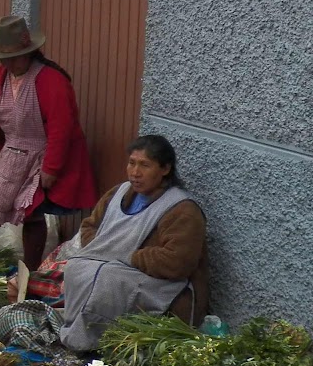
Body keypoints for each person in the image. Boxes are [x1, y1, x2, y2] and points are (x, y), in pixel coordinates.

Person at [0, 15, 97, 269]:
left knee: (33, 213)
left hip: (43, 153)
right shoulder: (1, 77)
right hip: (14, 151)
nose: (7, 64)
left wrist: (51, 168)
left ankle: (31, 269)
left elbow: (63, 128)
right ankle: (19, 266)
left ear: (28, 53)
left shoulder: (51, 81)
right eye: (3, 59)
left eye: (12, 58)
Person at [59, 136, 209, 351]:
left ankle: (97, 342)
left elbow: (177, 262)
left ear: (165, 169)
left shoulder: (182, 210)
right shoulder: (118, 193)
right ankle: (80, 331)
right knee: (76, 266)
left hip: (164, 284)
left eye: (145, 165)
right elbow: (90, 227)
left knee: (108, 277)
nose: (135, 172)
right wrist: (104, 249)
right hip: (117, 265)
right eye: (132, 163)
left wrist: (130, 256)